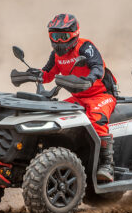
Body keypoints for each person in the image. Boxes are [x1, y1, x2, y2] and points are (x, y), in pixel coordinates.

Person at [23, 13, 117, 182]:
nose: (59, 41)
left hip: (101, 94)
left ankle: (107, 165)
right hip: (80, 97)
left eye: (63, 36)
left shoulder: (85, 47)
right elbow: (48, 74)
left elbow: (98, 67)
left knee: (96, 119)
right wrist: (33, 74)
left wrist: (90, 78)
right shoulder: (56, 55)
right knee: (55, 115)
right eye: (55, 36)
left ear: (75, 34)